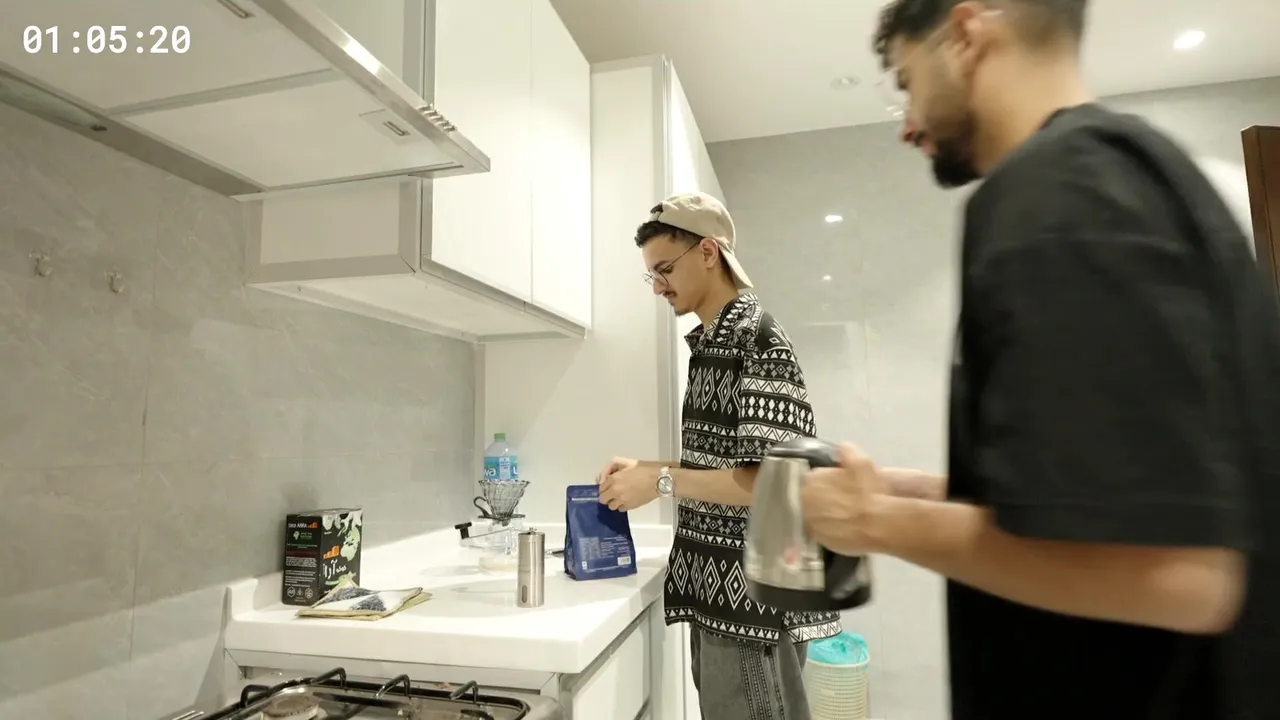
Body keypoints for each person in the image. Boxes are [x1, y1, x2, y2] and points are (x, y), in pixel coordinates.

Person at [799, 1, 1280, 718]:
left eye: (906, 82)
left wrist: (874, 522)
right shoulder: (1130, 171)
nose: (907, 124)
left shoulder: (1059, 189)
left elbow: (1180, 575)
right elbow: (1119, 495)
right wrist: (921, 492)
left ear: (965, 33)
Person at [597, 192, 840, 719]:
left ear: (708, 252)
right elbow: (730, 468)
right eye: (651, 275)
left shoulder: (757, 339)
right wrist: (652, 470)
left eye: (665, 269)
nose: (658, 286)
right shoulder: (713, 343)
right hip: (724, 594)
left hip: (754, 605)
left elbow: (774, 483)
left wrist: (659, 483)